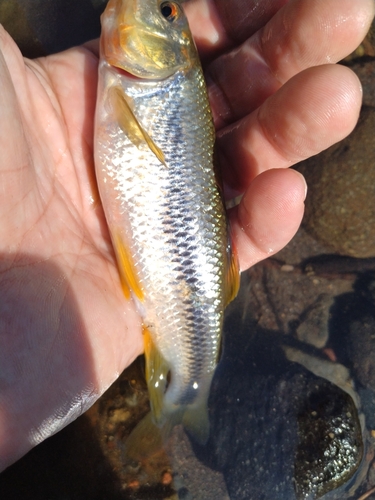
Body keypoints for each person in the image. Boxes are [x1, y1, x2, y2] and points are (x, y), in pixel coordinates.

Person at [0, 0, 373, 472]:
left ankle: (186, 395)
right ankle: (183, 395)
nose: (148, 9)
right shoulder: (138, 79)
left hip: (178, 275)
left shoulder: (145, 81)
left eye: (165, 11)